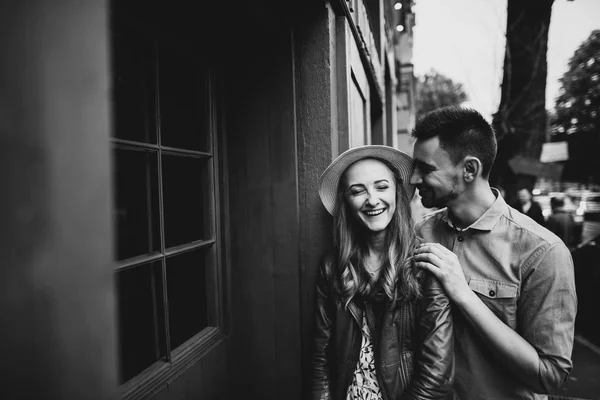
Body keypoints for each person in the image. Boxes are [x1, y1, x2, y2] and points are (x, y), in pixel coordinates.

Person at [410, 106, 577, 399]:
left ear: (469, 169)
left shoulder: (543, 252)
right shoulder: (419, 234)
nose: (413, 179)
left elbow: (549, 376)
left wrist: (463, 294)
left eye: (426, 169)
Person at [311, 145, 454, 400]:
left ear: (397, 194)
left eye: (381, 187)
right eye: (358, 191)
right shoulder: (332, 266)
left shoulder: (424, 264)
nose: (372, 200)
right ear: (346, 201)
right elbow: (320, 356)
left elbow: (436, 375)